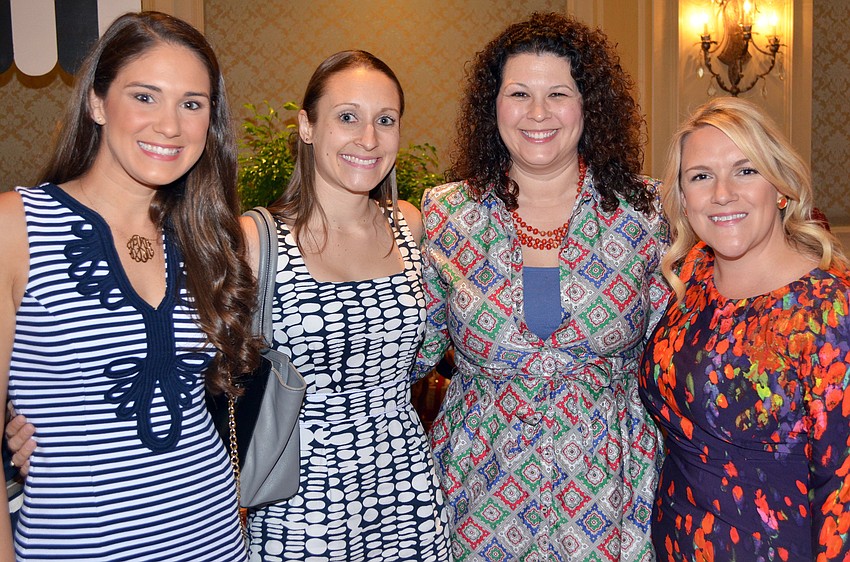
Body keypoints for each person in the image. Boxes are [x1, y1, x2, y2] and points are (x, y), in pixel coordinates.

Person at [0, 11, 259, 561]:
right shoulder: (15, 227)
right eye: (145, 96)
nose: (170, 125)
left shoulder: (204, 238)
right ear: (96, 102)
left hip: (214, 539)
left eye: (192, 104)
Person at [415, 12, 669, 562]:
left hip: (614, 495)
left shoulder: (648, 213)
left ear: (588, 106)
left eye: (558, 93)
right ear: (493, 106)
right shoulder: (445, 215)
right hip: (480, 495)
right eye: (518, 94)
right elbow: (407, 355)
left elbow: (679, 347)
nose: (537, 113)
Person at [239, 50, 451, 561]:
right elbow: (189, 363)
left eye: (385, 120)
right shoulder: (257, 238)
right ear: (307, 126)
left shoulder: (410, 224)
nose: (369, 139)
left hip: (408, 488)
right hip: (298, 499)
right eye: (347, 117)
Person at [639, 97, 850, 561]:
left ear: (780, 186)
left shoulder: (829, 312)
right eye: (700, 176)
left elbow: (843, 490)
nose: (722, 193)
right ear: (683, 198)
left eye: (745, 170)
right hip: (672, 542)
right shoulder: (691, 274)